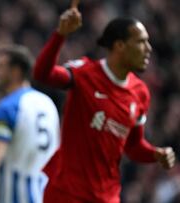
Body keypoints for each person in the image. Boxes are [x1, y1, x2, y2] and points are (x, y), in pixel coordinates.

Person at [32, 2, 176, 203]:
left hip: (106, 197)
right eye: (141, 42)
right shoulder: (85, 74)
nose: (148, 49)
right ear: (119, 46)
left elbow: (133, 147)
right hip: (67, 193)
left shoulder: (140, 93)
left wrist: (155, 154)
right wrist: (60, 35)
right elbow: (42, 74)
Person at [0, 45, 60, 203]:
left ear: (16, 71)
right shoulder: (48, 103)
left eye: (0, 67)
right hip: (48, 194)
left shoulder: (9, 107)